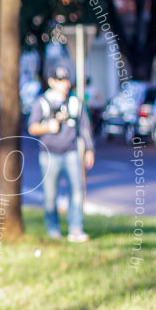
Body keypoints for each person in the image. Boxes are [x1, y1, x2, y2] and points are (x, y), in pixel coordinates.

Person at [28, 66, 96, 242]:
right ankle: (53, 230)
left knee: (77, 191)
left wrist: (89, 149)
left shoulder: (75, 101)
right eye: (60, 81)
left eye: (66, 80)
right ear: (51, 83)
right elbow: (32, 127)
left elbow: (84, 127)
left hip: (71, 151)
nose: (64, 84)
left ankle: (76, 229)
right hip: (49, 154)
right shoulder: (42, 101)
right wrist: (47, 127)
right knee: (50, 195)